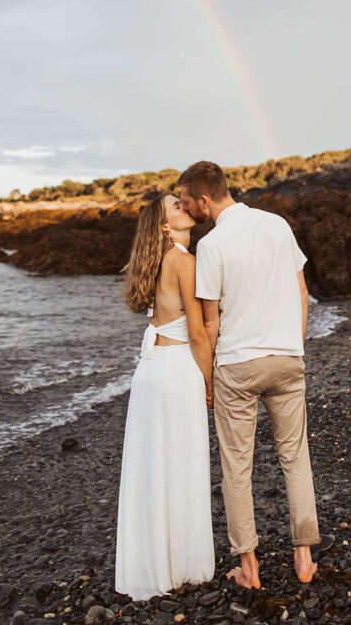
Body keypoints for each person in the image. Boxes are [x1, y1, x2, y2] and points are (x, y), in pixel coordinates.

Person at [178, 161, 320, 590]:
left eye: (187, 201)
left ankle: (250, 567)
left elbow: (210, 322)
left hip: (237, 366)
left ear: (205, 199)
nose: (186, 208)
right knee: (295, 457)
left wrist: (206, 379)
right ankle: (304, 557)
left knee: (237, 468)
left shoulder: (212, 245)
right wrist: (294, 345)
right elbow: (301, 291)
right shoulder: (277, 225)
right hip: (286, 358)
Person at [115, 193, 215, 601]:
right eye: (177, 207)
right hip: (176, 372)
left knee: (151, 470)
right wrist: (208, 382)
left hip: (150, 373)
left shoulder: (156, 261)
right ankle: (183, 565)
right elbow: (197, 333)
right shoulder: (185, 262)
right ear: (164, 226)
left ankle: (151, 566)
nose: (185, 209)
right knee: (181, 465)